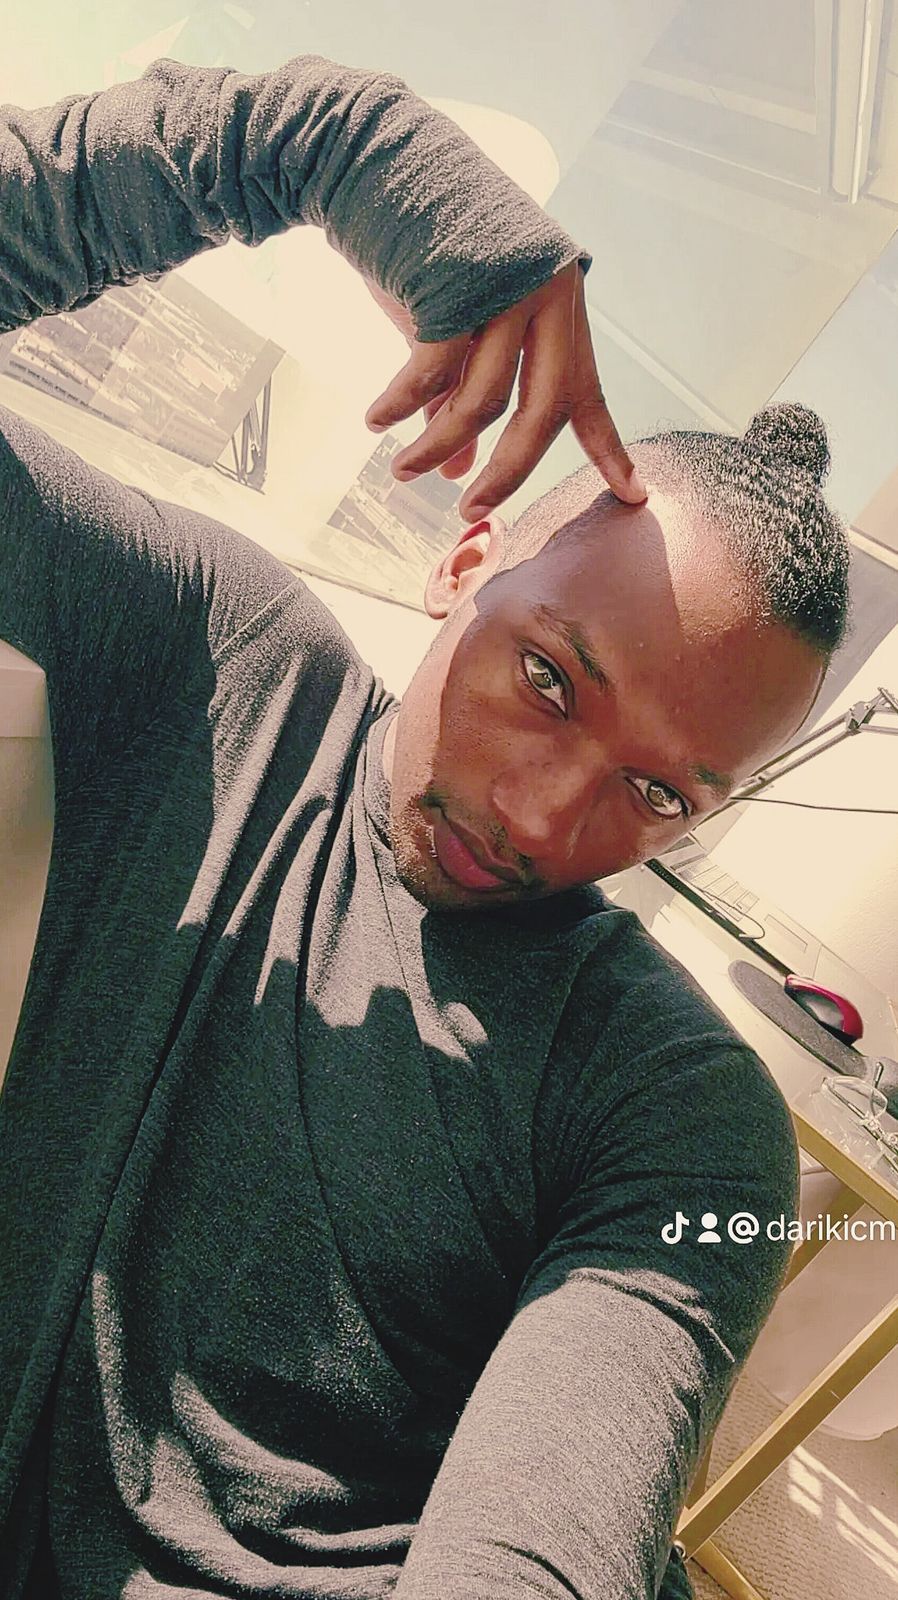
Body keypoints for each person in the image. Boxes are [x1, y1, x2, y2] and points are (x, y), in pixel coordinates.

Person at [0, 53, 849, 1600]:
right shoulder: (215, 662)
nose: (539, 815)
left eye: (658, 794)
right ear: (467, 561)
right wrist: (317, 142)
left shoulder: (680, 1116)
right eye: (548, 680)